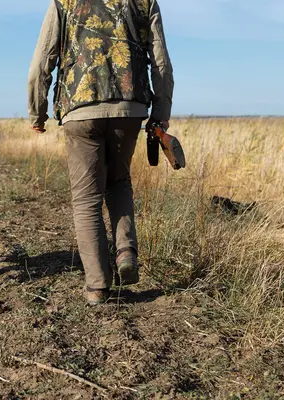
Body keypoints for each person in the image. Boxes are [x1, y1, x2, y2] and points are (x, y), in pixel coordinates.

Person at [27, 0, 174, 305]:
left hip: (79, 110)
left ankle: (97, 286)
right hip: (129, 107)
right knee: (119, 181)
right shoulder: (144, 2)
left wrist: (36, 113)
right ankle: (125, 253)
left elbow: (42, 62)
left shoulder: (63, 2)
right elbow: (160, 61)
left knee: (86, 200)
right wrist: (160, 111)